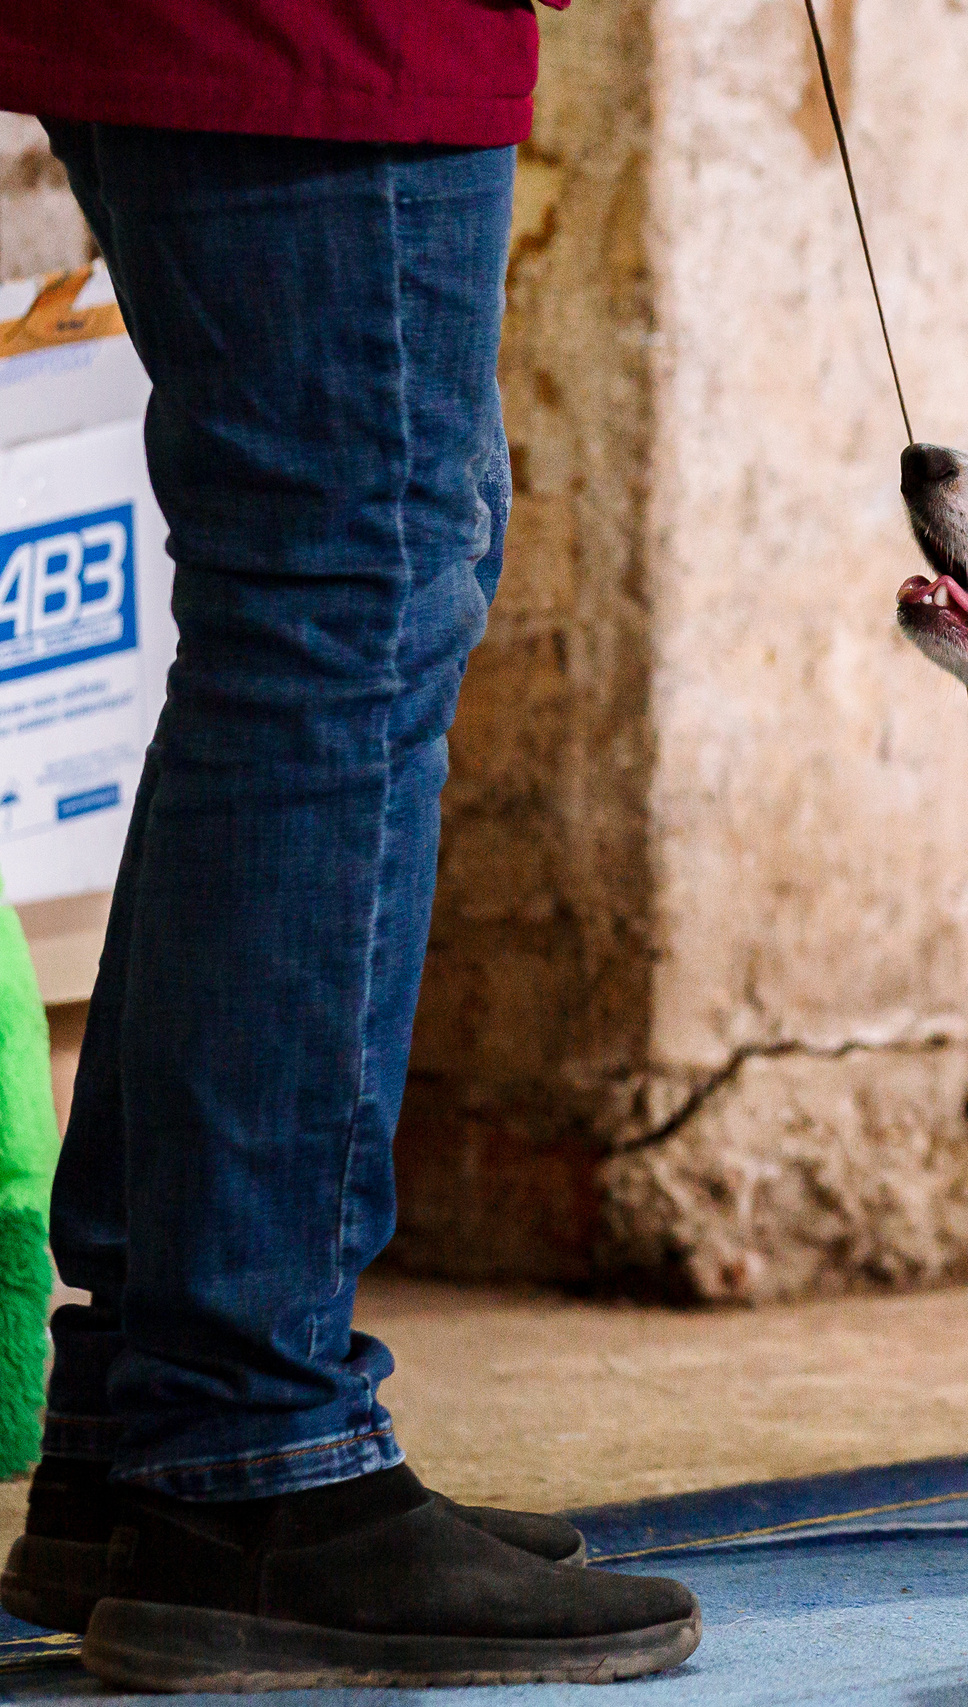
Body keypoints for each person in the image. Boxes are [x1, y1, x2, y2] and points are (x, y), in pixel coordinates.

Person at [0, 1, 702, 1689]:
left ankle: (159, 1418)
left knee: (329, 588)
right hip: (318, 27)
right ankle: (253, 1451)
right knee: (345, 591)